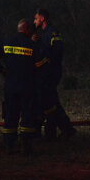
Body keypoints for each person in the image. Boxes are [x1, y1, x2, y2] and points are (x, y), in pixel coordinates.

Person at [0, 18, 38, 155]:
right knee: (27, 114)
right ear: (27, 30)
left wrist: (1, 69)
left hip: (10, 86)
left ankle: (9, 145)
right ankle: (26, 145)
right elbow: (41, 63)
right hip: (27, 86)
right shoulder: (31, 45)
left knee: (10, 114)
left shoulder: (6, 42)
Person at [33, 9, 76, 140]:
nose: (34, 21)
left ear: (42, 18)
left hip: (50, 73)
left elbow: (56, 52)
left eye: (36, 18)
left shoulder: (52, 33)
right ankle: (63, 129)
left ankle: (56, 130)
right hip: (46, 73)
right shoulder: (43, 35)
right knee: (50, 102)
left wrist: (46, 65)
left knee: (49, 102)